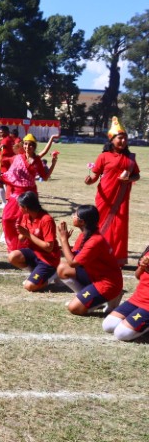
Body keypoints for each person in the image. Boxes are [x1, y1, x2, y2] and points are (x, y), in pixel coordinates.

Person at [84, 117, 140, 266]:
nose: (123, 141)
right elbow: (95, 176)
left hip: (122, 199)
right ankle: (95, 253)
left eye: (125, 138)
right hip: (105, 198)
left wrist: (129, 179)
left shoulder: (130, 158)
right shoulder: (103, 156)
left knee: (119, 228)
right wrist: (89, 181)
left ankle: (116, 258)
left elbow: (137, 175)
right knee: (100, 224)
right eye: (120, 138)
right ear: (112, 139)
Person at [57, 205, 123, 316]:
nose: (72, 216)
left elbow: (73, 263)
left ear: (82, 222)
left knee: (74, 308)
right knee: (62, 268)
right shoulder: (84, 235)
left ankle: (108, 298)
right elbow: (73, 257)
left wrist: (63, 240)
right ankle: (85, 297)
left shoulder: (95, 241)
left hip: (107, 283)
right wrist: (65, 241)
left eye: (75, 215)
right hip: (94, 276)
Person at [0, 134, 58, 252]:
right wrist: (1, 176)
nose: (27, 146)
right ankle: (12, 242)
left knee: (27, 221)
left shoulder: (37, 160)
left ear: (34, 147)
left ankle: (26, 246)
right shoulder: (18, 158)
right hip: (16, 194)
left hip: (30, 195)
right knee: (6, 218)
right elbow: (3, 165)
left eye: (30, 145)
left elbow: (45, 177)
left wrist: (53, 163)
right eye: (25, 144)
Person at [7, 191, 61, 291]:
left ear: (26, 208)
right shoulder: (26, 216)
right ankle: (35, 273)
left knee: (29, 287)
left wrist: (28, 234)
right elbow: (21, 238)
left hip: (48, 258)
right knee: (12, 256)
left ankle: (54, 274)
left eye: (20, 206)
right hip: (34, 252)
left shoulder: (46, 220)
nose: (19, 208)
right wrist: (22, 232)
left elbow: (49, 248)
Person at [103, 245, 149, 341]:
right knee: (108, 325)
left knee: (121, 334)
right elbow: (138, 276)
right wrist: (142, 267)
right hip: (138, 299)